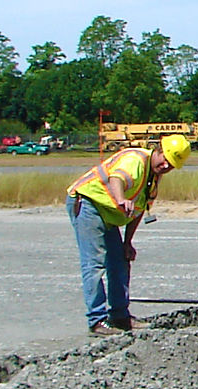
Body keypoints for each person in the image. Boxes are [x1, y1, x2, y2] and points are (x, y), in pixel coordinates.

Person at [67, 133, 191, 334]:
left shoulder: (153, 179)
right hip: (88, 204)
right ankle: (97, 320)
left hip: (108, 214)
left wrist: (127, 242)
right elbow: (117, 178)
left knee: (119, 262)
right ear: (158, 151)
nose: (166, 166)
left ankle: (120, 316)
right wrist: (121, 199)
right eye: (166, 160)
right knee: (94, 263)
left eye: (172, 165)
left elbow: (139, 211)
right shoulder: (135, 160)